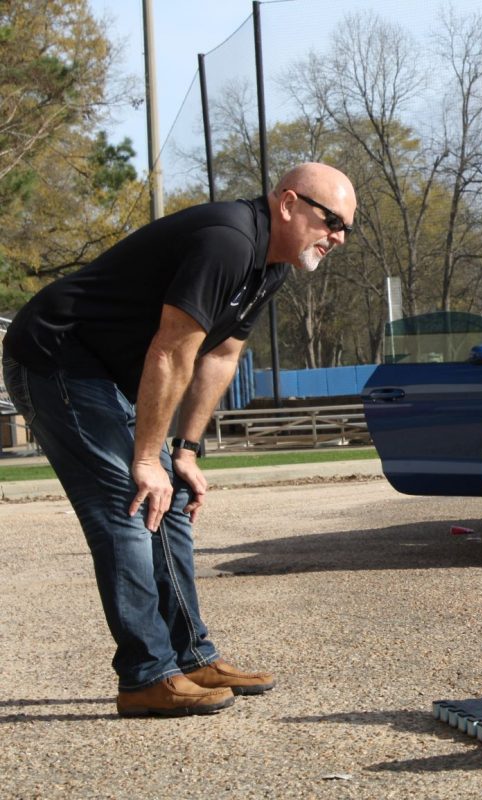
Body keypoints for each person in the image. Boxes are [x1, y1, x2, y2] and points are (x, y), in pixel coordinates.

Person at [1, 162, 357, 717]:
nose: (338, 237)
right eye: (332, 220)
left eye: (346, 230)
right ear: (288, 204)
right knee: (129, 503)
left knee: (170, 502)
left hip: (108, 372)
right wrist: (146, 458)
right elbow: (171, 350)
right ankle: (146, 675)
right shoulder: (228, 242)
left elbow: (221, 354)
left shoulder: (271, 266)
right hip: (57, 356)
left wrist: (184, 451)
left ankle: (190, 657)